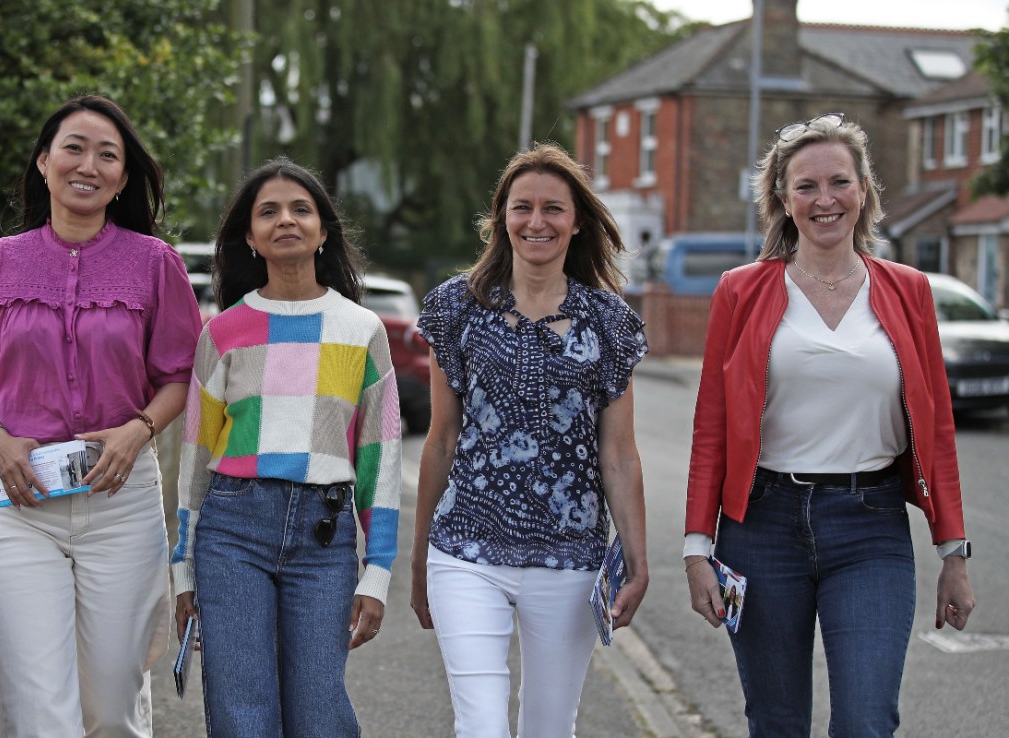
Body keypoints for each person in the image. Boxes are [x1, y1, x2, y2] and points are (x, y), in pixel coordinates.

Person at [683, 113, 977, 737]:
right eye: (806, 187)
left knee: (868, 720)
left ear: (863, 189)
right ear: (784, 201)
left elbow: (937, 431)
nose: (825, 200)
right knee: (777, 722)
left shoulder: (908, 290)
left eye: (838, 182)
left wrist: (954, 552)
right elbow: (711, 426)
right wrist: (696, 551)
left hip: (870, 526)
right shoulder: (741, 291)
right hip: (760, 528)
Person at [0, 94, 203, 736]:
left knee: (112, 705)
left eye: (107, 154)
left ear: (122, 177)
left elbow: (178, 378)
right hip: (21, 505)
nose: (87, 164)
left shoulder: (155, 264)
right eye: (73, 147)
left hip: (120, 502)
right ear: (44, 162)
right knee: (39, 706)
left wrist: (138, 429)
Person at [411, 141, 651, 738]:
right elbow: (440, 441)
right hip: (466, 550)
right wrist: (420, 560)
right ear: (501, 218)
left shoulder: (610, 321)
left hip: (569, 556)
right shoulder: (454, 308)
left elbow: (618, 453)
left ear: (576, 222)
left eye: (553, 209)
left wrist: (638, 561)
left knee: (550, 726)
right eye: (522, 207)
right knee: (482, 726)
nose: (536, 222)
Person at [171, 157, 401, 737]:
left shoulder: (362, 330)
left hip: (324, 540)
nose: (286, 221)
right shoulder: (221, 332)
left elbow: (382, 457)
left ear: (324, 230)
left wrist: (376, 573)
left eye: (302, 209)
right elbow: (195, 459)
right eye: (268, 212)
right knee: (243, 716)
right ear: (250, 236)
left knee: (320, 716)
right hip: (231, 533)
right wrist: (183, 571)